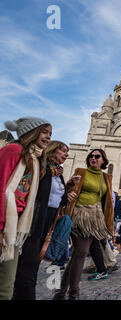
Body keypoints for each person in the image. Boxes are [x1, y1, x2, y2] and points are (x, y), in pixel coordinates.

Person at [13, 140, 79, 300]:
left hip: (48, 221)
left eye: (67, 151)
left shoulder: (57, 173)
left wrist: (68, 191)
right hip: (34, 220)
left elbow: (57, 199)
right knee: (28, 264)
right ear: (51, 151)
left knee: (33, 263)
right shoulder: (42, 169)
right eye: (63, 151)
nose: (66, 154)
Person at [0, 117, 52, 300]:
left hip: (16, 228)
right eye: (44, 132)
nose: (48, 137)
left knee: (6, 286)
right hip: (4, 225)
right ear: (32, 132)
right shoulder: (13, 150)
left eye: (50, 134)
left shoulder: (35, 159)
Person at [52, 149, 114, 300]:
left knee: (76, 255)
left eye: (97, 156)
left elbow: (107, 201)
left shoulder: (106, 177)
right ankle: (74, 293)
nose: (93, 158)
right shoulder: (81, 172)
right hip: (79, 215)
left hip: (95, 218)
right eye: (91, 156)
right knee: (81, 253)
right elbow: (68, 190)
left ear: (103, 160)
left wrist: (108, 222)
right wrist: (70, 186)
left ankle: (60, 293)